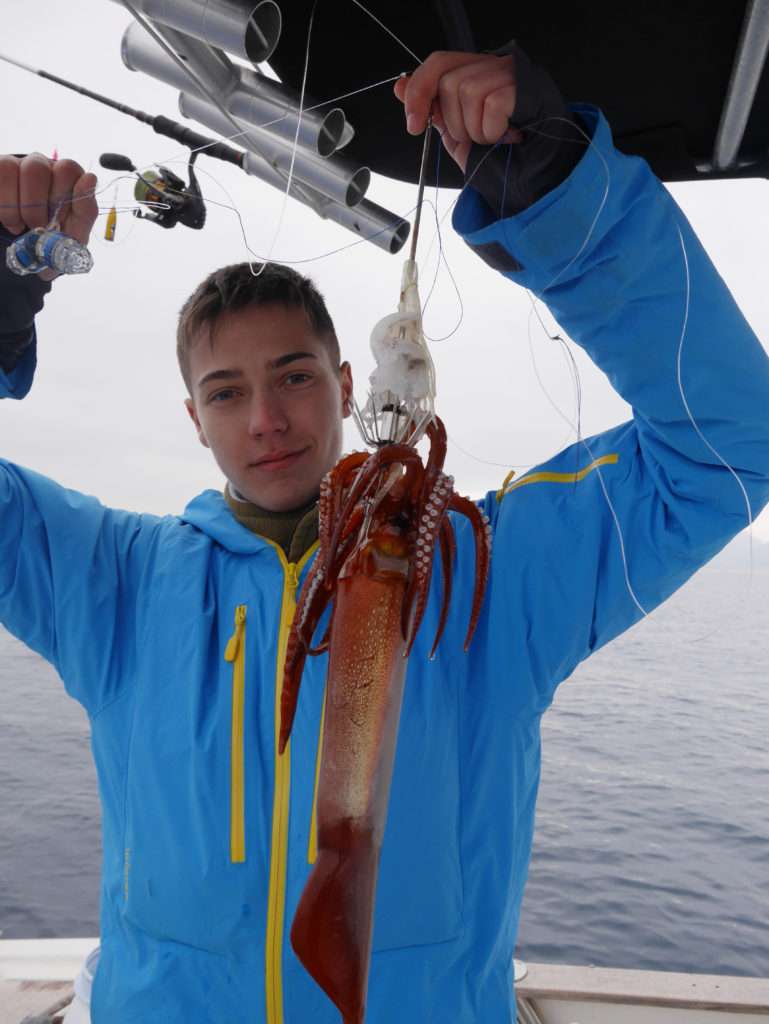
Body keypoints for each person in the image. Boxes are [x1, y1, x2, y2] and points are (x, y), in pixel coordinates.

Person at [2, 48, 768, 1024]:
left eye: (292, 375)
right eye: (227, 392)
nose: (266, 419)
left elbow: (728, 446)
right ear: (193, 418)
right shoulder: (110, 583)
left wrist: (567, 204)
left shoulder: (484, 573)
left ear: (347, 385)